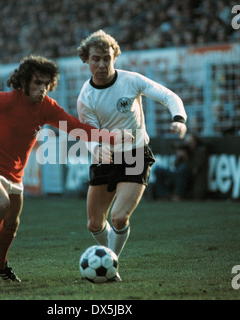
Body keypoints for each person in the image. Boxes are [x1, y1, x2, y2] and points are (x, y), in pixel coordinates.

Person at [0, 55, 131, 283]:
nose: (42, 89)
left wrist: (111, 138)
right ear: (23, 82)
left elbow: (75, 127)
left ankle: (1, 265)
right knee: (0, 204)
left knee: (12, 223)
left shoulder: (46, 107)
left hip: (14, 174)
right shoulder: (5, 100)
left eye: (46, 84)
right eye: (37, 83)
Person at [76, 30, 187, 281]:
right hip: (105, 158)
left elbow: (169, 96)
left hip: (136, 155)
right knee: (94, 223)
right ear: (86, 60)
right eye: (96, 59)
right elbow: (89, 134)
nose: (102, 64)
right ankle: (105, 258)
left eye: (107, 58)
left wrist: (179, 119)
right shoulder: (86, 97)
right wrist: (97, 149)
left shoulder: (131, 80)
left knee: (119, 216)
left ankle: (111, 265)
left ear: (114, 56)